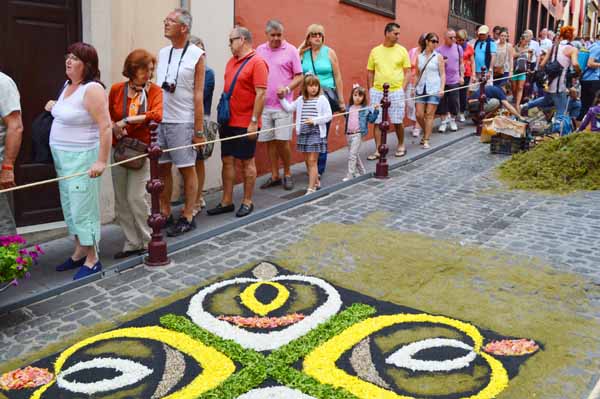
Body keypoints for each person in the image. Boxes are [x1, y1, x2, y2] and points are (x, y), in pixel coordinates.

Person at [46, 42, 111, 280]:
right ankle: (79, 251)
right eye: (68, 56)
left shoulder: (92, 89)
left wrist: (101, 161)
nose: (68, 61)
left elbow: (105, 127)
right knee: (70, 207)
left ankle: (93, 258)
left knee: (83, 208)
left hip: (83, 158)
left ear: (88, 65)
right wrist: (54, 106)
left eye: (75, 58)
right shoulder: (67, 86)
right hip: (62, 158)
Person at [207, 27, 268, 218]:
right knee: (227, 160)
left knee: (246, 161)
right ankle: (226, 201)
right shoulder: (231, 62)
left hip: (246, 122)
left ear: (242, 39)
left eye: (231, 40)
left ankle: (247, 201)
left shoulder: (257, 62)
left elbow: (261, 94)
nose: (229, 45)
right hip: (228, 120)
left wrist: (253, 122)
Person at [108, 49, 162, 259]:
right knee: (121, 200)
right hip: (119, 149)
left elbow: (157, 115)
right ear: (133, 69)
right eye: (145, 69)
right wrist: (114, 127)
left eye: (151, 70)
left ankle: (149, 239)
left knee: (136, 197)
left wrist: (128, 121)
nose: (149, 74)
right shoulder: (116, 90)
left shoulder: (154, 91)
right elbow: (107, 116)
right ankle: (132, 242)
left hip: (140, 151)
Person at [156, 8, 205, 237]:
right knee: (163, 167)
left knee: (187, 168)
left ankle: (188, 214)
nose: (165, 23)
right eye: (166, 20)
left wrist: (198, 130)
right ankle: (165, 211)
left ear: (184, 27)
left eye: (171, 21)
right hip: (161, 121)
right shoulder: (163, 53)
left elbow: (198, 94)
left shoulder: (196, 54)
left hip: (183, 121)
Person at [257, 20, 303, 191]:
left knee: (283, 142)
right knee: (269, 142)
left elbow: (300, 76)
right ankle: (275, 175)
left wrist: (287, 88)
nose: (276, 38)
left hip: (283, 105)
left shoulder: (290, 50)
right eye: (273, 35)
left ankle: (288, 173)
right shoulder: (260, 50)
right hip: (264, 106)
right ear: (267, 34)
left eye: (279, 35)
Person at [299, 24, 345, 176]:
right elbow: (295, 66)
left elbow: (337, 76)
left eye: (319, 34)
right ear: (309, 38)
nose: (317, 37)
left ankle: (319, 168)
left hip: (325, 98)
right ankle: (311, 164)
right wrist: (302, 46)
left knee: (321, 132)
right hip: (308, 98)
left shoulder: (329, 52)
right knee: (308, 131)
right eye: (313, 35)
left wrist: (341, 100)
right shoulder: (303, 53)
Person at [521, 26, 580, 134]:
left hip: (550, 82)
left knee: (546, 100)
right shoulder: (572, 49)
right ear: (571, 37)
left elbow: (542, 64)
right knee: (561, 113)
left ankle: (526, 106)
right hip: (560, 85)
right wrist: (578, 71)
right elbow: (575, 64)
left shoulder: (553, 47)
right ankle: (557, 135)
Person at [279, 74, 331, 194]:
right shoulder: (301, 100)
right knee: (307, 160)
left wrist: (315, 121)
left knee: (312, 160)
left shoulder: (322, 99)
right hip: (303, 133)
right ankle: (316, 181)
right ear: (305, 87)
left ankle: (311, 188)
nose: (314, 88)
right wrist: (281, 98)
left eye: (316, 85)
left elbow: (328, 116)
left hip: (316, 132)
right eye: (310, 85)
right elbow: (289, 108)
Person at [366, 22, 411, 160]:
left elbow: (408, 71)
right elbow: (370, 72)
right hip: (378, 91)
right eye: (395, 33)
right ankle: (379, 149)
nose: (398, 36)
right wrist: (371, 89)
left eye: (398, 33)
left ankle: (401, 144)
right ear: (387, 33)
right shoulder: (375, 51)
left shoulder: (402, 50)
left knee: (397, 121)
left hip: (396, 90)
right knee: (377, 122)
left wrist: (402, 89)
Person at [189, 35, 214, 216]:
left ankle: (197, 198)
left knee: (198, 161)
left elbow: (197, 97)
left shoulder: (209, 73)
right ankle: (193, 196)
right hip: (184, 119)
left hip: (200, 119)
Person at [0, 72, 23, 237]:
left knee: (2, 223)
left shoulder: (3, 83)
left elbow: (15, 126)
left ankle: (9, 262)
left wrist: (7, 167)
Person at [415, 33, 445, 149]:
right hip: (421, 88)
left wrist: (442, 88)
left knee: (429, 114)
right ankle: (427, 130)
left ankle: (426, 138)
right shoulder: (419, 57)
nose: (435, 44)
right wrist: (414, 87)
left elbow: (442, 74)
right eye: (433, 41)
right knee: (419, 114)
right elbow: (417, 75)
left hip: (434, 88)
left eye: (437, 41)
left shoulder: (438, 57)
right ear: (427, 41)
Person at [342, 84, 379, 181]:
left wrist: (375, 111)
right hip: (349, 134)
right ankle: (362, 172)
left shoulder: (365, 109)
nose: (357, 98)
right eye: (355, 95)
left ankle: (350, 174)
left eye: (360, 95)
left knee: (352, 155)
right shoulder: (349, 108)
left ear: (363, 97)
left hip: (358, 134)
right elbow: (347, 118)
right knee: (354, 154)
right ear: (352, 96)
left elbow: (371, 120)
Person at [436, 29, 463, 133]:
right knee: (442, 102)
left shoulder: (458, 48)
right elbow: (436, 66)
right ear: (445, 38)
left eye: (454, 37)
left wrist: (462, 76)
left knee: (454, 101)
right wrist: (442, 63)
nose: (453, 39)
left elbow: (461, 63)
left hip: (454, 80)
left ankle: (452, 120)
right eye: (451, 38)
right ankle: (443, 122)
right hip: (442, 81)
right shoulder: (439, 50)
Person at [407, 34, 425, 137]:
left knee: (418, 105)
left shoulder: (427, 54)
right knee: (410, 104)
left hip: (421, 82)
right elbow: (407, 66)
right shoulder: (413, 51)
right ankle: (415, 124)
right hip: (411, 81)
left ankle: (417, 127)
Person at [578, 38, 600, 120]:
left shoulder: (593, 45)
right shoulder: (598, 47)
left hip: (587, 79)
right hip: (592, 80)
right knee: (589, 106)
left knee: (586, 106)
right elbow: (590, 63)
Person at [457, 29, 475, 123]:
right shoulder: (454, 46)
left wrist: (474, 73)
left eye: (462, 40)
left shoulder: (469, 47)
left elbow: (473, 61)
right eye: (458, 40)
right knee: (454, 93)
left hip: (466, 73)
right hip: (455, 73)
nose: (460, 42)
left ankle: (462, 112)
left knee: (463, 93)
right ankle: (454, 112)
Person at [511, 34, 532, 113]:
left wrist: (530, 55)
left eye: (527, 41)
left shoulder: (528, 49)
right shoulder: (515, 47)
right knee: (514, 88)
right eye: (525, 41)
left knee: (520, 87)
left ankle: (517, 104)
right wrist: (523, 51)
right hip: (514, 70)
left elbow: (529, 60)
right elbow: (513, 55)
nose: (526, 43)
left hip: (523, 70)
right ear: (521, 40)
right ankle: (515, 98)